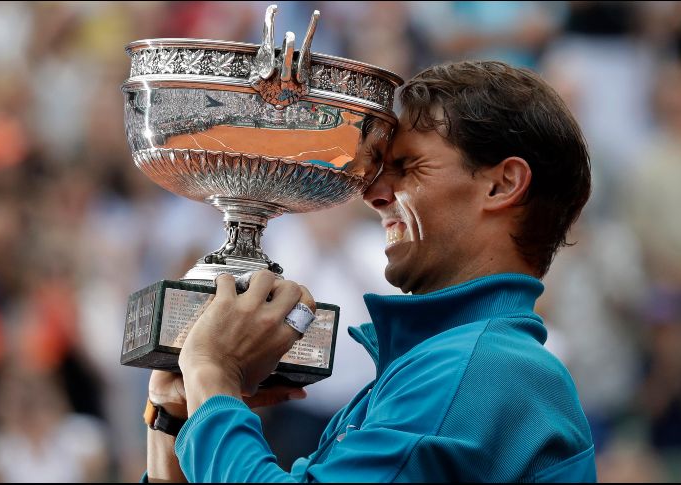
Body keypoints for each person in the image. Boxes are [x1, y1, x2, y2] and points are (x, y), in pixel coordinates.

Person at [143, 60, 596, 482]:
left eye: (407, 167)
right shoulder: (438, 368)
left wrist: (213, 375)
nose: (374, 192)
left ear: (502, 184)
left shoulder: (479, 370)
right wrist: (176, 418)